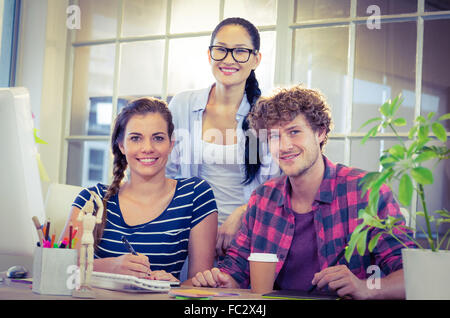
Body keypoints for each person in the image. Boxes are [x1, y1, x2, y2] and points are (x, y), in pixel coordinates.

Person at [192, 85, 416, 299]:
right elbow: (235, 271)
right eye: (274, 137)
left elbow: (414, 275)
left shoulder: (366, 191)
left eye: (294, 132)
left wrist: (366, 287)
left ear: (320, 132)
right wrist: (221, 280)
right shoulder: (263, 199)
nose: (284, 146)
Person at [60, 97, 218, 283]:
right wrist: (111, 267)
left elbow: (201, 285)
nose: (147, 148)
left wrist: (175, 285)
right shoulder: (92, 199)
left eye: (158, 138)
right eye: (136, 138)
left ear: (171, 144)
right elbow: (60, 268)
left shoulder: (195, 195)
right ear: (121, 145)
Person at [166, 17, 279, 257]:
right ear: (209, 55)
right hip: (188, 240)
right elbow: (163, 172)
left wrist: (243, 212)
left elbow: (278, 188)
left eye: (240, 51)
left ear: (256, 59)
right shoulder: (182, 104)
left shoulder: (267, 114)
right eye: (221, 50)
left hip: (249, 241)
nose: (229, 59)